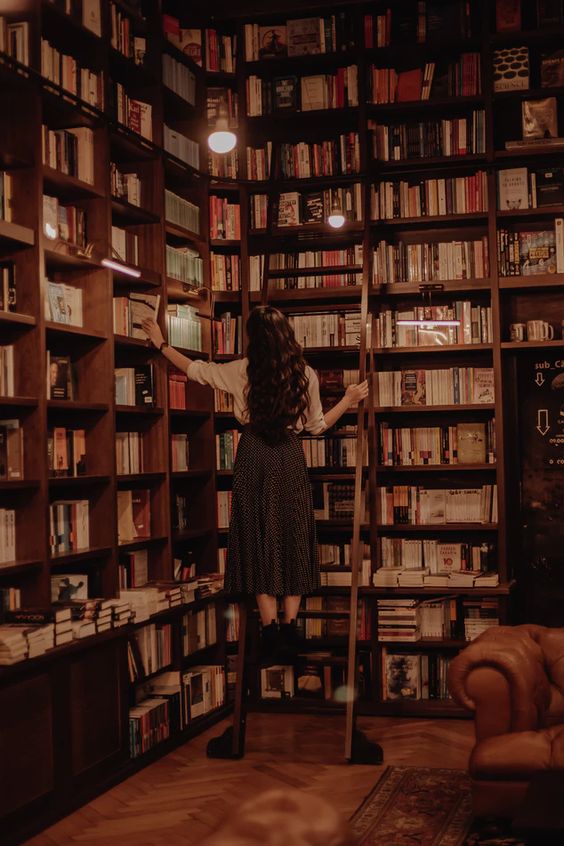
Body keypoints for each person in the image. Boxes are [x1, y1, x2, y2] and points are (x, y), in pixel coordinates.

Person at [142, 306, 368, 659]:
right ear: (286, 335)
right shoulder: (303, 373)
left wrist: (161, 344)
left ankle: (269, 628)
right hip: (289, 456)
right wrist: (350, 400)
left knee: (257, 534)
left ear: (254, 339)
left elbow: (195, 371)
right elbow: (317, 427)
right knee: (292, 534)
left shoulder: (240, 371)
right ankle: (291, 627)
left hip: (253, 454)